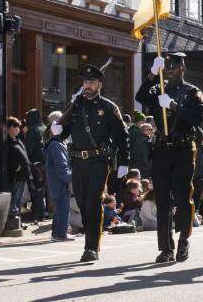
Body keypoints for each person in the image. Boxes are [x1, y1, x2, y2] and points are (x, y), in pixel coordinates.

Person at [52, 64, 130, 262]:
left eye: (92, 82)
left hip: (98, 160)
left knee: (93, 201)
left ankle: (91, 247)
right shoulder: (76, 107)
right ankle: (91, 234)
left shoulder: (108, 108)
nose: (88, 85)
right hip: (77, 161)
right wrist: (57, 131)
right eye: (85, 82)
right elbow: (67, 132)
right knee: (81, 202)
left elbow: (122, 137)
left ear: (99, 84)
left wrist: (123, 162)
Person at [136, 52, 203, 263]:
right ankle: (166, 248)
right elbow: (140, 97)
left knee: (183, 198)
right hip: (162, 149)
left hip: (183, 149)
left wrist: (174, 106)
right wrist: (151, 74)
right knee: (163, 200)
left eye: (174, 66)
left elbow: (198, 117)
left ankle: (184, 238)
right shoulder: (158, 90)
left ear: (183, 67)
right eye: (167, 67)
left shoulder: (192, 92)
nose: (170, 69)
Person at [44, 111, 73, 241]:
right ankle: (61, 234)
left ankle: (57, 233)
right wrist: (70, 178)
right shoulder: (56, 145)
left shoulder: (56, 143)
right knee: (63, 207)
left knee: (60, 208)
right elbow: (62, 167)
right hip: (59, 181)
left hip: (57, 181)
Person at [6, 117, 31, 218]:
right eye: (17, 127)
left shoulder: (17, 139)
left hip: (23, 175)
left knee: (19, 199)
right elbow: (5, 157)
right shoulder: (6, 141)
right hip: (15, 175)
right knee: (14, 198)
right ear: (11, 127)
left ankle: (18, 217)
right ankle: (13, 217)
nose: (19, 129)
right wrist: (16, 166)